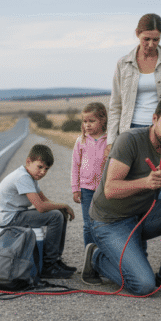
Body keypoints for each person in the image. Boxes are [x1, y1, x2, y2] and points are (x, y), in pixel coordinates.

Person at [82, 97, 161, 296]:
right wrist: (145, 183)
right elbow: (110, 189)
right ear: (154, 118)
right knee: (144, 286)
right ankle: (97, 257)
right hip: (111, 221)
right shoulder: (129, 140)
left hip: (144, 215)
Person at [107, 13, 161, 162]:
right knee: (132, 180)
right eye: (146, 39)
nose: (151, 44)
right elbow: (115, 105)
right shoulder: (123, 63)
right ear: (137, 33)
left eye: (156, 39)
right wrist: (111, 140)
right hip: (130, 130)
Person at [0, 143, 76, 279]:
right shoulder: (23, 177)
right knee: (55, 216)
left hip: (17, 214)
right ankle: (48, 266)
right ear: (28, 161)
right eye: (40, 167)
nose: (43, 172)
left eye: (46, 169)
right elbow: (41, 207)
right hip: (10, 219)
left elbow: (45, 200)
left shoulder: (30, 176)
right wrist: (64, 205)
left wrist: (63, 207)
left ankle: (55, 260)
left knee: (59, 212)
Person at [71, 102, 108, 250]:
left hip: (104, 189)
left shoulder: (109, 140)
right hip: (86, 188)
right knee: (88, 224)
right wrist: (75, 188)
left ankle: (103, 253)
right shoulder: (81, 141)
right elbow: (75, 165)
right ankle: (89, 255)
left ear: (103, 120)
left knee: (103, 223)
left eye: (91, 121)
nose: (87, 125)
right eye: (85, 121)